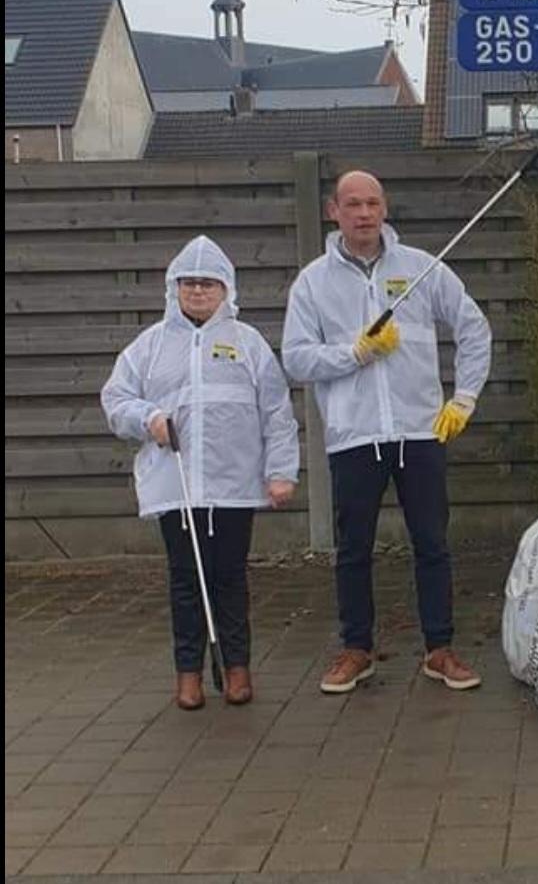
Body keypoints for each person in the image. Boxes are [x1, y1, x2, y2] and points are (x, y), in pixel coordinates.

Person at [282, 170, 492, 695]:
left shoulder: (422, 270)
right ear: (334, 210)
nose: (363, 213)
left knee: (432, 544)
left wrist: (464, 398)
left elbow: (473, 327)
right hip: (355, 437)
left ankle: (439, 648)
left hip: (420, 432)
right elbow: (296, 358)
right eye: (353, 204)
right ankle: (357, 649)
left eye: (372, 203)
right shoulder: (313, 282)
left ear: (385, 208)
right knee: (353, 549)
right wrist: (354, 353)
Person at [101, 235, 299, 711]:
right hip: (178, 486)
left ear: (226, 289)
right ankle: (187, 673)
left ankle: (237, 669)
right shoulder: (148, 346)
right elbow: (116, 398)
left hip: (234, 485)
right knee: (186, 579)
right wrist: (149, 419)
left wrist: (281, 472)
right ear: (173, 288)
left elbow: (277, 412)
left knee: (230, 577)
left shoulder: (247, 344)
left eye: (207, 283)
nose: (197, 291)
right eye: (187, 283)